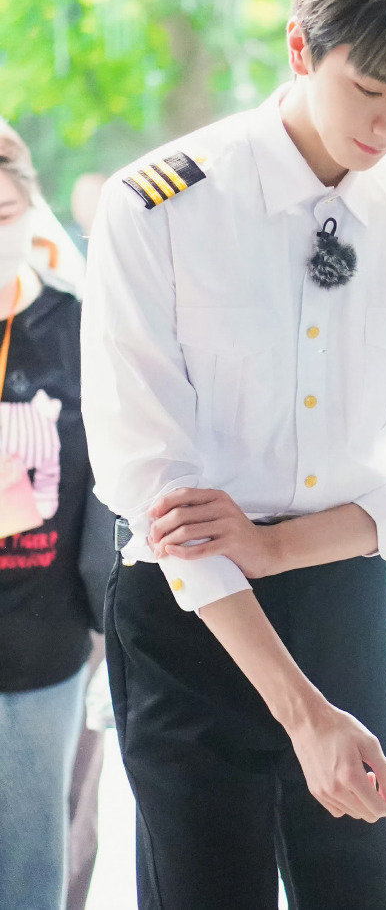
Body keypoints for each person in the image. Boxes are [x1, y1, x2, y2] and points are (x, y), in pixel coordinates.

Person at [81, 0, 386, 910]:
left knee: (358, 890)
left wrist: (282, 548)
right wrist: (304, 714)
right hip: (189, 611)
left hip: (341, 598)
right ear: (301, 46)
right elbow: (154, 485)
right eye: (369, 88)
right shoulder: (160, 208)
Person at [0, 139, 114, 909]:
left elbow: (112, 480)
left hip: (48, 642)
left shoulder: (74, 322)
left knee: (35, 859)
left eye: (3, 210)